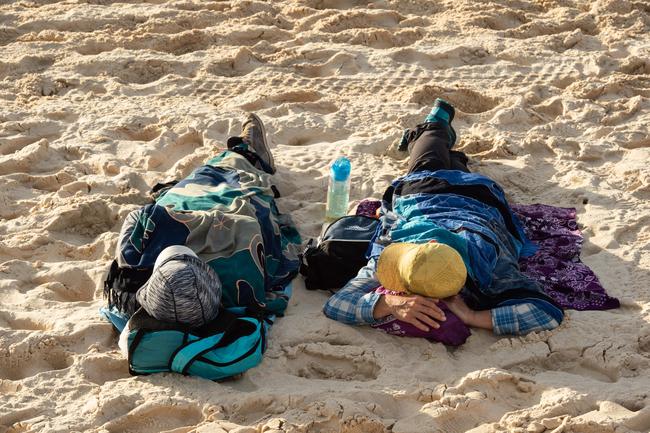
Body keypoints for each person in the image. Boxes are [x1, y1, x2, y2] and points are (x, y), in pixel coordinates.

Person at [323, 99, 564, 336]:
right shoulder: (490, 272)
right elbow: (546, 313)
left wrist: (388, 305)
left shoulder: (390, 259)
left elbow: (338, 304)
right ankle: (436, 132)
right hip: (455, 195)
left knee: (433, 160)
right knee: (431, 160)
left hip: (467, 195)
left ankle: (437, 126)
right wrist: (471, 316)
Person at [107, 113, 302, 330]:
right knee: (234, 174)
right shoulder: (239, 274)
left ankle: (241, 155)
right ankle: (248, 153)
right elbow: (246, 222)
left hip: (186, 204)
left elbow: (140, 216)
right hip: (225, 203)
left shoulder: (132, 273)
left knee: (207, 178)